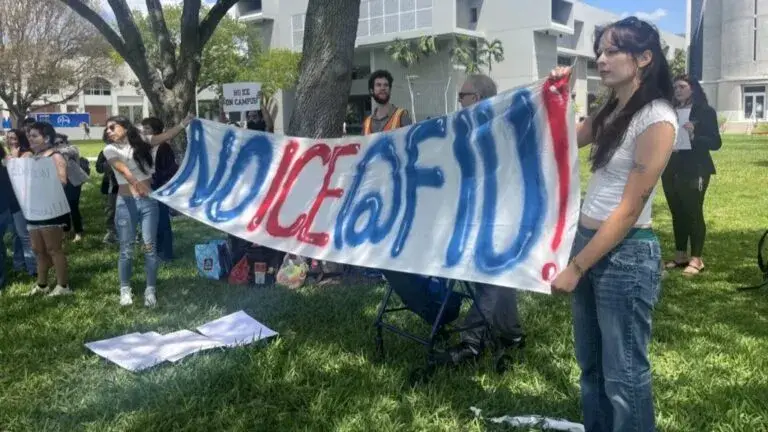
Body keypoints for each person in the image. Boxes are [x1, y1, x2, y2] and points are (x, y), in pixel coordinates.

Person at [549, 16, 677, 431]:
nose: (601, 60)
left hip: (625, 256)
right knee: (591, 366)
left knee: (624, 374)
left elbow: (628, 210)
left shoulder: (657, 117)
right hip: (589, 241)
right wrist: (559, 95)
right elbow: (564, 138)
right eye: (599, 52)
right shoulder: (613, 109)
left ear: (644, 57)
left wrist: (577, 266)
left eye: (612, 51)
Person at [435, 74, 525, 366]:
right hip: (481, 213)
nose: (459, 101)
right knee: (500, 276)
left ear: (478, 98)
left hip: (500, 215)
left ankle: (472, 342)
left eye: (462, 95)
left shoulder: (498, 128)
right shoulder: (472, 128)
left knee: (488, 274)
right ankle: (511, 334)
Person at [104, 114, 193, 307]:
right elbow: (123, 170)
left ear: (125, 127)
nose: (108, 131)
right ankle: (125, 289)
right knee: (126, 249)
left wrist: (183, 123)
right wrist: (137, 184)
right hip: (126, 203)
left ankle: (150, 289)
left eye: (112, 127)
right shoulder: (110, 149)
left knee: (149, 247)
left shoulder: (142, 142)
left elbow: (165, 136)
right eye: (107, 128)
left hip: (148, 203)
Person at [662, 75, 722, 276]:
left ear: (693, 89)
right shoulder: (670, 111)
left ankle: (696, 259)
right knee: (677, 211)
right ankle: (680, 256)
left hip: (695, 168)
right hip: (671, 167)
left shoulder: (705, 112)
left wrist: (694, 135)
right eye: (675, 87)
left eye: (682, 86)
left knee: (693, 212)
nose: (677, 90)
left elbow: (716, 142)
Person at [26, 122, 72, 296]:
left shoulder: (55, 156)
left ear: (46, 138)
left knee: (54, 248)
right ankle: (42, 285)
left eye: (34, 136)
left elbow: (62, 181)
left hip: (51, 210)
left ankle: (63, 286)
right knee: (38, 249)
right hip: (33, 209)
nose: (30, 139)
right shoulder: (32, 157)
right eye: (29, 135)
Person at [140, 117, 179, 262]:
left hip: (159, 187)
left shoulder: (163, 147)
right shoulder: (144, 147)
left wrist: (155, 177)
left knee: (162, 221)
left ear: (155, 130)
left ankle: (166, 253)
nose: (144, 131)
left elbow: (171, 170)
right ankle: (153, 252)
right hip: (145, 187)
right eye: (143, 128)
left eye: (147, 128)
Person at [5, 129, 37, 276]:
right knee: (16, 235)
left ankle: (33, 268)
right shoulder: (7, 155)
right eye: (9, 138)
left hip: (23, 200)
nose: (11, 141)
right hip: (11, 200)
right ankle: (19, 264)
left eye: (14, 138)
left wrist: (15, 158)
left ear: (21, 139)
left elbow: (22, 176)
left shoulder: (27, 154)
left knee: (24, 235)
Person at [55, 133, 88, 242]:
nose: (59, 144)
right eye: (56, 143)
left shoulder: (72, 149)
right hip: (60, 182)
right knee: (63, 208)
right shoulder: (54, 153)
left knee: (73, 207)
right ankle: (66, 230)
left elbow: (69, 151)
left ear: (66, 142)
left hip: (74, 182)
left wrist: (56, 151)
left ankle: (78, 231)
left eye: (61, 142)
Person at [362, 70, 412, 134]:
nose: (383, 88)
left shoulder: (402, 116)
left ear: (390, 90)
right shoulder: (367, 123)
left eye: (386, 85)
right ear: (371, 91)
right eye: (378, 85)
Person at [96, 131, 119, 244]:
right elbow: (99, 168)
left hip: (127, 184)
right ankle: (111, 232)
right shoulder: (104, 153)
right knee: (111, 209)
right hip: (112, 185)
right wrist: (107, 164)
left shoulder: (126, 151)